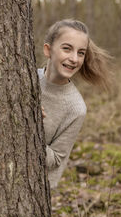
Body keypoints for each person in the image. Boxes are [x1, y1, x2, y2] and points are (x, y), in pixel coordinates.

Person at [38, 19, 113, 189]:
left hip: (33, 191)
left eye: (81, 53)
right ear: (48, 50)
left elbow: (56, 159)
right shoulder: (25, 79)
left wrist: (32, 128)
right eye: (67, 49)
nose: (74, 59)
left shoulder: (76, 108)